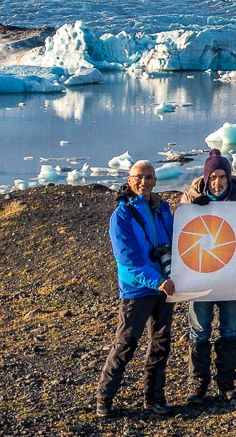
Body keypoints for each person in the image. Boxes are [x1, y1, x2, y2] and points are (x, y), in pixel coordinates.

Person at [95, 160, 176, 418]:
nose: (145, 182)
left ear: (155, 180)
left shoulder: (163, 208)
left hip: (164, 288)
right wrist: (157, 281)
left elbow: (179, 240)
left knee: (161, 344)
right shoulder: (122, 216)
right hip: (138, 291)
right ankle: (104, 399)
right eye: (139, 177)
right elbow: (127, 261)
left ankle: (154, 398)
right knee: (126, 344)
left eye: (150, 177)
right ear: (130, 180)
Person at [184, 149, 236, 402]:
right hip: (200, 276)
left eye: (222, 176)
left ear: (229, 177)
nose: (218, 182)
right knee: (199, 330)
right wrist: (192, 206)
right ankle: (199, 385)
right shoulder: (189, 203)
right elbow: (181, 238)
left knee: (230, 329)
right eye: (212, 176)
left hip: (232, 278)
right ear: (205, 178)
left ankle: (226, 382)